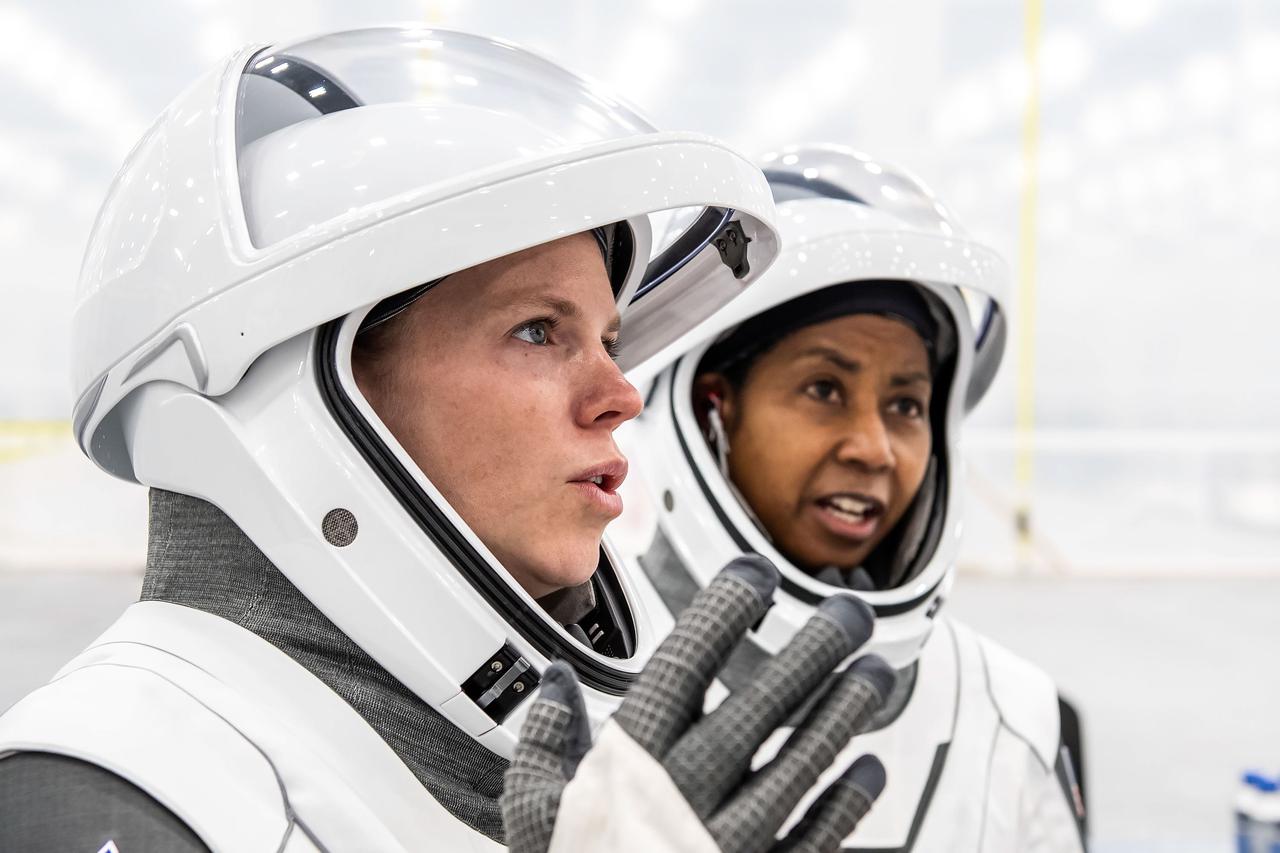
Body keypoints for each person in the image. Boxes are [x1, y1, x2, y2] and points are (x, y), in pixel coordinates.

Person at [0, 27, 892, 851]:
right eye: (540, 331)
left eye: (610, 342)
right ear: (306, 391)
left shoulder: (582, 788)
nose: (621, 396)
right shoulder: (99, 785)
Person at [617, 144, 1089, 851]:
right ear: (713, 408)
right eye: (824, 390)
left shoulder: (1012, 714)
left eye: (906, 404)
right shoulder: (569, 685)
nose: (874, 447)